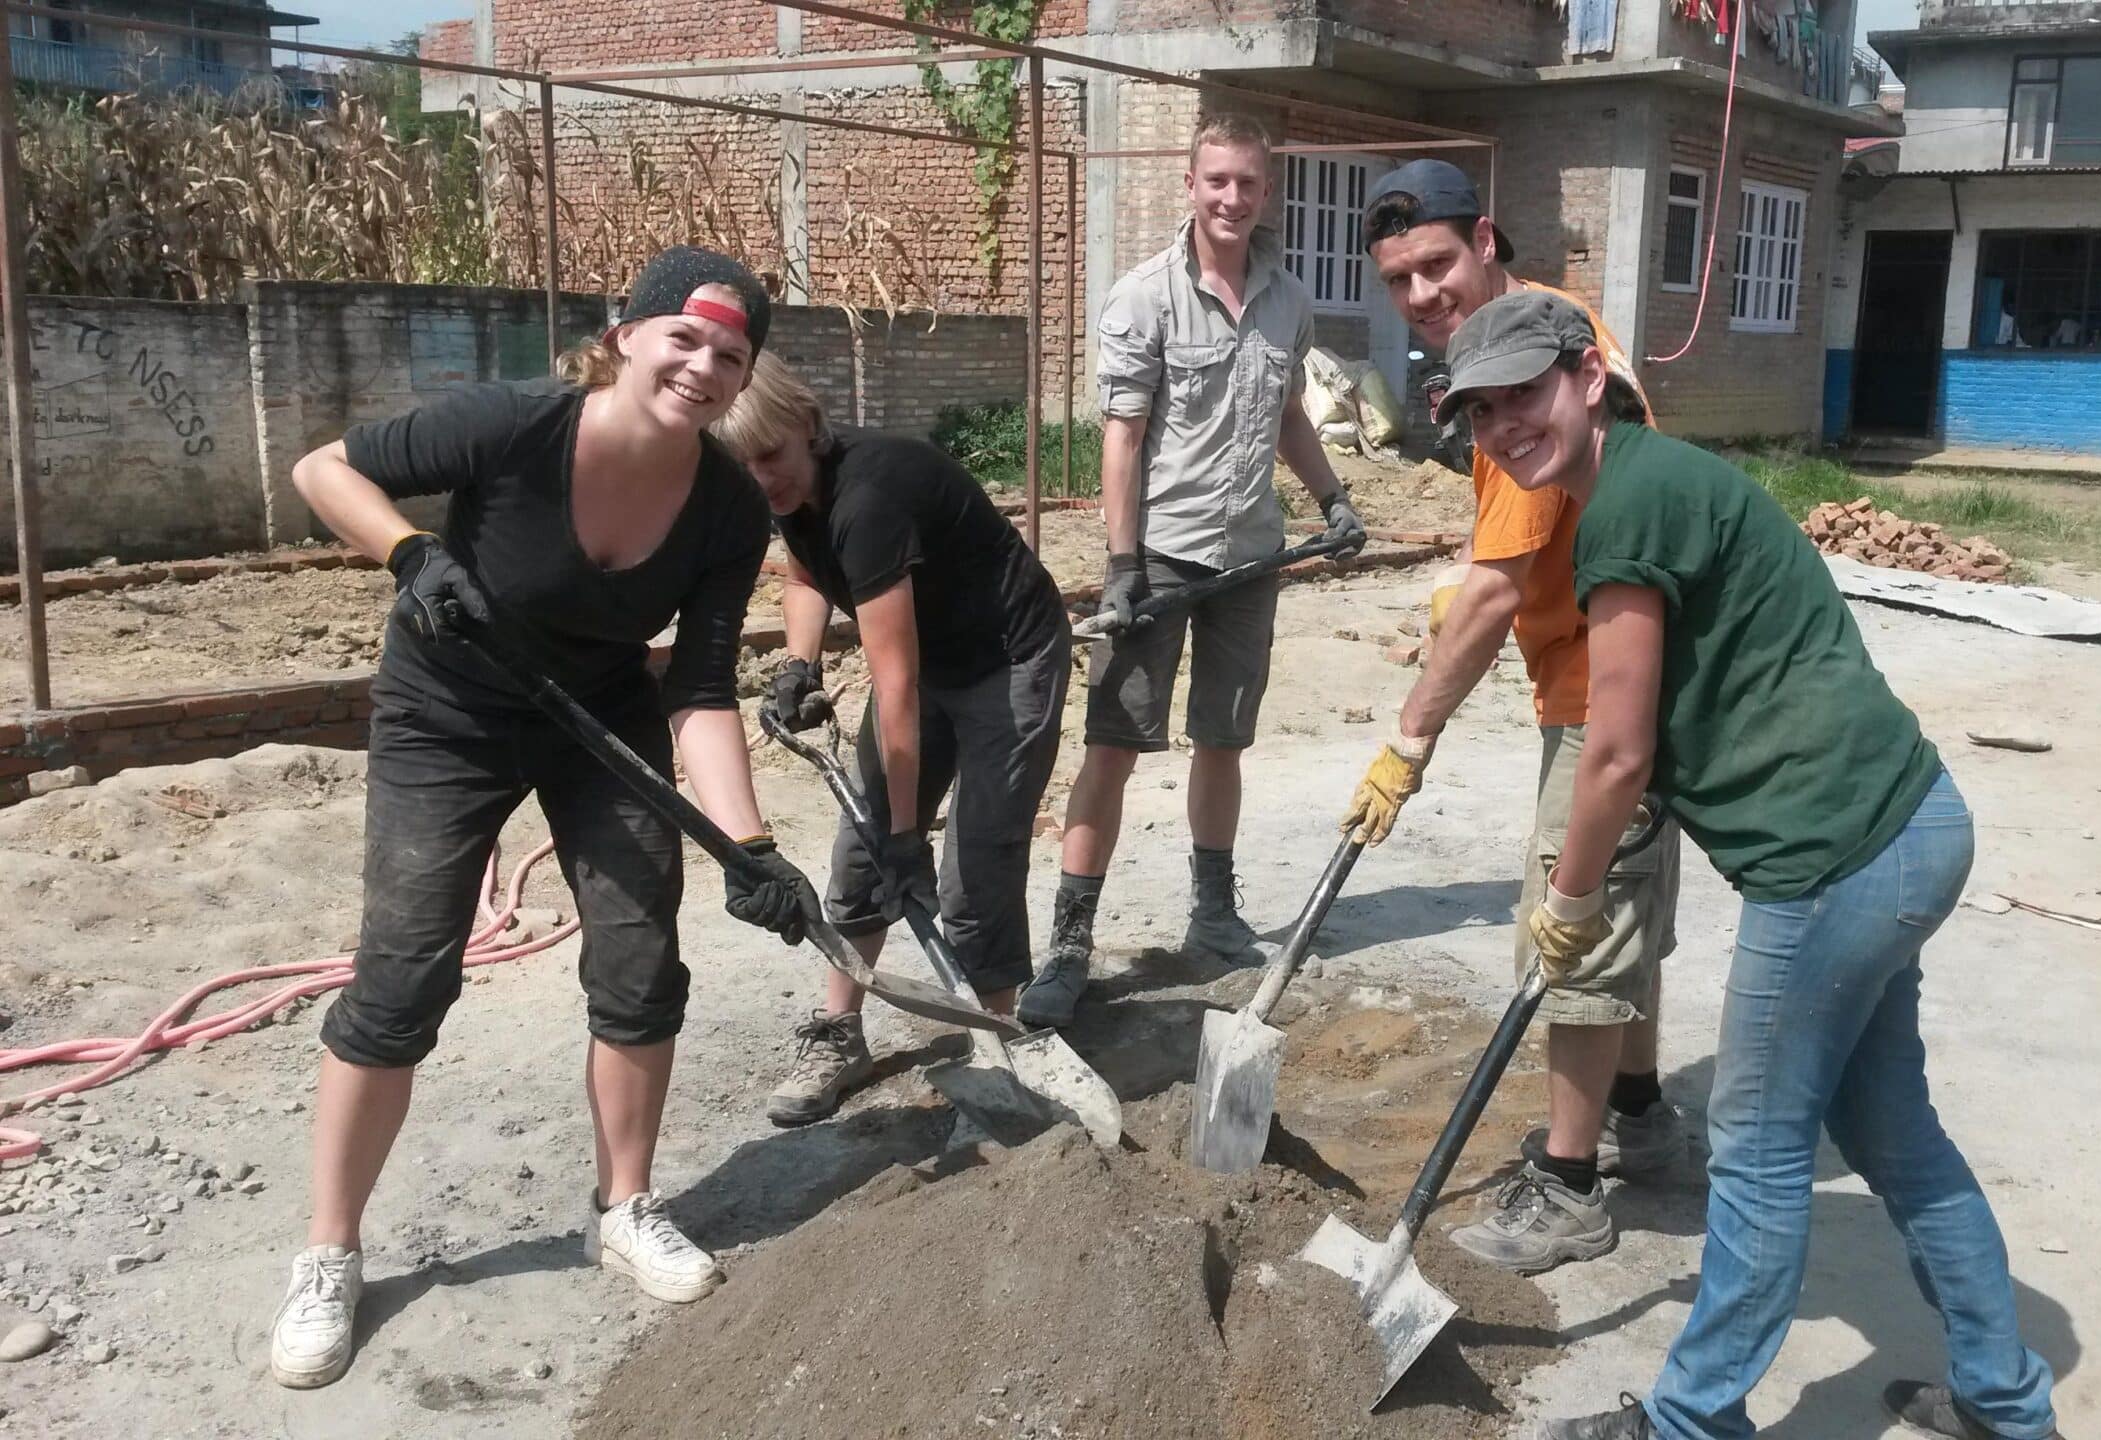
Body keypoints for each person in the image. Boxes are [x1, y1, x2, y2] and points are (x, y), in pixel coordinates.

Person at [1433, 291, 2062, 1440]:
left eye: (1521, 392)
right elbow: (1679, 712)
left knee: (1758, 1151)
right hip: (1910, 825)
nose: (1503, 425)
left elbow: (1614, 754)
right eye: (1478, 411)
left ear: (1584, 375)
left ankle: (1685, 1423)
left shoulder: (1622, 507)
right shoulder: (1652, 481)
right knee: (1892, 1132)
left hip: (1832, 861)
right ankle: (2007, 1405)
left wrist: (1568, 900)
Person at [268, 247, 815, 1390]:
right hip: (446, 712)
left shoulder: (723, 509)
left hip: (595, 719)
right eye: (684, 337)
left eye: (731, 352)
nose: (704, 366)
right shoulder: (514, 426)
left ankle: (624, 1207)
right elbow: (323, 468)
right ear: (628, 336)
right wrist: (410, 551)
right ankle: (329, 1253)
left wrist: (749, 845)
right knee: (406, 972)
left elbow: (702, 688)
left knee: (639, 956)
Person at [1341, 159, 1684, 1275]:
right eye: (1397, 279)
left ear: (1485, 239)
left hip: (1604, 692)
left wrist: (1408, 738)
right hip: (1606, 665)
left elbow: (1494, 590)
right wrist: (1485, 576)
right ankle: (1643, 1114)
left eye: (1436, 264)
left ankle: (1571, 1184)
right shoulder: (1539, 338)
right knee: (1621, 920)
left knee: (1574, 926)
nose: (1422, 294)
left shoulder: (1541, 356)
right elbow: (1510, 543)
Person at [1016, 112, 1367, 1028]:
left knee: (1225, 737)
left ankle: (1213, 913)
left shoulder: (1289, 301)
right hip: (1162, 558)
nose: (1232, 198)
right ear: (1191, 184)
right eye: (1217, 181)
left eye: (1248, 183)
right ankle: (1069, 940)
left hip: (1250, 557)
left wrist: (1330, 497)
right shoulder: (1144, 298)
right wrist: (1123, 561)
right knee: (1114, 745)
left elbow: (1290, 417)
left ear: (1265, 191)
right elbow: (1122, 440)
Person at [712, 357, 1071, 1125]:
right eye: (742, 465)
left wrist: (907, 834)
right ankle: (841, 1031)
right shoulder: (790, 488)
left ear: (808, 427)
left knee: (976, 861)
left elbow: (897, 686)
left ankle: (997, 1039)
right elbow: (807, 576)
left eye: (769, 456)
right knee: (860, 850)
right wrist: (799, 664)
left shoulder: (869, 498)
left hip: (1009, 659)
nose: (760, 477)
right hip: (928, 657)